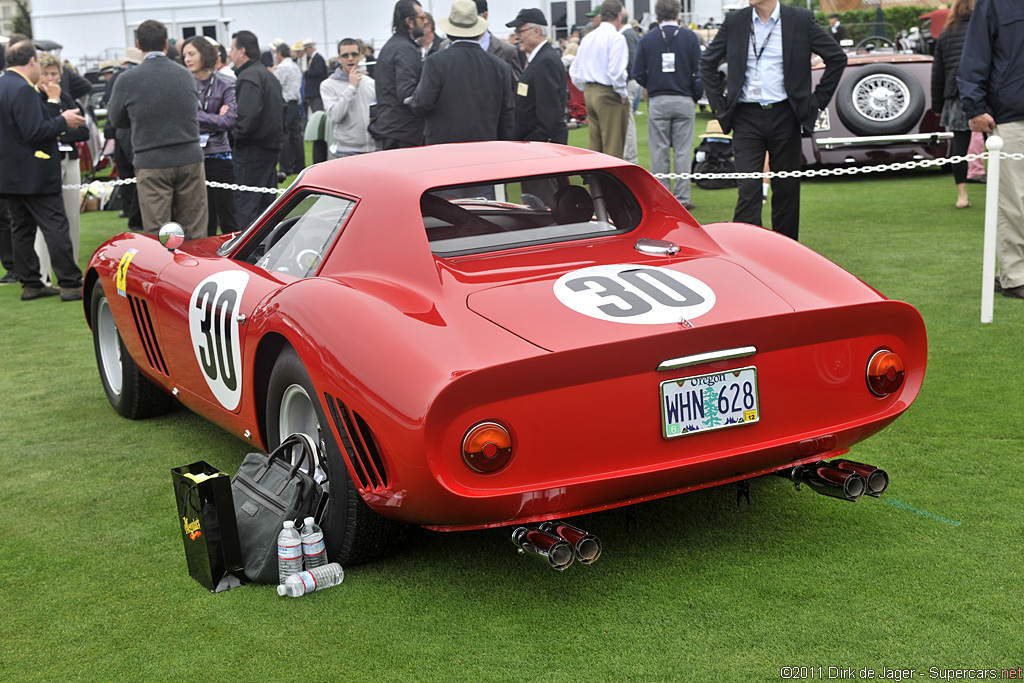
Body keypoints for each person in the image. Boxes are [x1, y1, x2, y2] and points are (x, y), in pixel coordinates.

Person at [699, 0, 846, 241]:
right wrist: (720, 105)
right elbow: (707, 62)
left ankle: (785, 254)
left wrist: (816, 101)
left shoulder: (800, 19)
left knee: (786, 191)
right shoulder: (736, 20)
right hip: (746, 116)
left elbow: (837, 58)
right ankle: (747, 253)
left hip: (785, 115)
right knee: (748, 190)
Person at [0, 39, 86, 301]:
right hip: (34, 171)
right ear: (32, 62)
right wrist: (63, 120)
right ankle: (71, 282)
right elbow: (34, 131)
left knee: (21, 229)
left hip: (10, 173)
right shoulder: (22, 89)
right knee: (55, 225)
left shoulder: (4, 84)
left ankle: (31, 283)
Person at [108, 20, 209, 241]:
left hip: (151, 158)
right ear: (166, 44)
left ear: (138, 45)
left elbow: (116, 119)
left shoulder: (127, 79)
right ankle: (195, 273)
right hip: (189, 155)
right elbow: (192, 108)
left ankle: (161, 274)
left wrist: (139, 123)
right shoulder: (185, 75)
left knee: (158, 233)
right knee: (195, 229)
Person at [959, 0, 1024, 299]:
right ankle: (1015, 276)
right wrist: (973, 107)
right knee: (1014, 201)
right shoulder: (994, 3)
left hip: (1010, 109)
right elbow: (975, 54)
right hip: (1010, 115)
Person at [407, 0, 514, 146]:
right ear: (477, 30)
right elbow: (507, 116)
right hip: (487, 146)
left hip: (444, 147)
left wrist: (409, 101)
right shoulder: (500, 67)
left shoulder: (436, 62)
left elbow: (422, 104)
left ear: (450, 30)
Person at [633, 0, 703, 210]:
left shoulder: (648, 39)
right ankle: (682, 197)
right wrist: (695, 96)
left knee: (658, 150)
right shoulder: (690, 36)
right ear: (678, 12)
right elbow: (699, 73)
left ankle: (662, 197)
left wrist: (653, 86)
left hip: (658, 100)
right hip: (684, 99)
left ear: (657, 13)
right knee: (682, 150)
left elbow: (637, 73)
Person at [33, 53, 90, 283]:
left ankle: (71, 268)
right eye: (45, 73)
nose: (49, 78)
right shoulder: (32, 98)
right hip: (45, 162)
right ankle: (42, 273)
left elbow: (83, 130)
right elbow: (41, 128)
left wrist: (60, 131)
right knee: (44, 218)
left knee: (71, 215)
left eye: (54, 73)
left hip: (70, 160)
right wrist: (61, 126)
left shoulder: (67, 97)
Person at [182, 36, 239, 236]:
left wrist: (197, 117)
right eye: (184, 55)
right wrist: (213, 118)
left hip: (219, 156)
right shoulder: (183, 86)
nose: (187, 59)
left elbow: (229, 121)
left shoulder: (225, 85)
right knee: (200, 219)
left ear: (204, 55)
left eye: (192, 54)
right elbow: (185, 118)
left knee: (227, 217)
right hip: (192, 158)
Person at [229, 30, 284, 228]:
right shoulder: (267, 75)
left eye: (232, 48)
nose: (230, 53)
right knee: (265, 205)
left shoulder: (249, 77)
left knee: (248, 204)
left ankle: (246, 252)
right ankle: (265, 248)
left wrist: (235, 138)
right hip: (269, 147)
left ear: (242, 51)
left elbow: (247, 118)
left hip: (252, 148)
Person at [570, 0, 630, 159]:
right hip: (608, 92)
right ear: (618, 16)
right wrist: (622, 94)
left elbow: (574, 70)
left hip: (590, 92)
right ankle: (611, 183)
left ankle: (594, 182)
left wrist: (585, 88)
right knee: (613, 146)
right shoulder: (616, 38)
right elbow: (616, 72)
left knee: (595, 145)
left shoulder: (588, 38)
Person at [931, 0, 975, 210]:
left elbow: (937, 73)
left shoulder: (946, 33)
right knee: (996, 146)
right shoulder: (982, 28)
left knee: (960, 148)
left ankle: (962, 195)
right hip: (984, 93)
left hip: (955, 95)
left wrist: (937, 105)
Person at [368, 0, 427, 150]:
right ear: (410, 22)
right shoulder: (404, 49)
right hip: (402, 132)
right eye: (421, 18)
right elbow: (407, 93)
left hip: (393, 128)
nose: (425, 21)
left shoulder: (393, 45)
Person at [505, 8, 567, 144]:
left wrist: (537, 142)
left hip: (539, 145)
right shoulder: (539, 58)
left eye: (520, 31)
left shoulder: (545, 61)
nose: (516, 37)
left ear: (536, 31)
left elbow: (548, 110)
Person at [320, 38, 379, 157]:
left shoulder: (370, 83)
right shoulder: (328, 85)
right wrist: (351, 88)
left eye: (354, 54)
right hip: (347, 151)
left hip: (373, 149)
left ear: (360, 56)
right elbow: (335, 116)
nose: (350, 58)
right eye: (345, 55)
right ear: (339, 59)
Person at [273, 42, 305, 177]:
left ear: (279, 54)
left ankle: (286, 167)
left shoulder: (281, 67)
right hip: (295, 102)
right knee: (296, 135)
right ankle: (299, 164)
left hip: (284, 103)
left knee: (284, 135)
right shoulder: (295, 66)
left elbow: (275, 85)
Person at [473, 0, 523, 81]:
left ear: (485, 16)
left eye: (471, 17)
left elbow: (516, 87)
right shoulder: (448, 46)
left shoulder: (507, 51)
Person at [619, 10, 640, 164]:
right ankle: (629, 155)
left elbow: (631, 59)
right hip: (632, 80)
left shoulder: (626, 34)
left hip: (629, 81)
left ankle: (630, 157)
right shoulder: (630, 33)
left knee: (628, 121)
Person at [302, 40, 328, 113]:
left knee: (318, 111)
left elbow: (318, 72)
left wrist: (307, 72)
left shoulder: (318, 58)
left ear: (310, 48)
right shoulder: (313, 58)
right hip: (313, 92)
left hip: (316, 91)